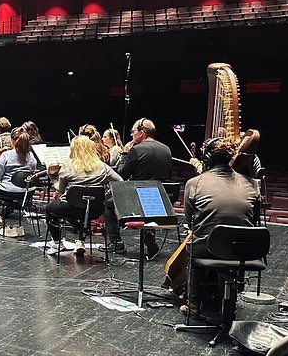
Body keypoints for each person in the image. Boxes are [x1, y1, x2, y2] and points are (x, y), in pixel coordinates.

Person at [182, 136, 262, 314]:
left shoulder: (194, 184)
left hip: (208, 248)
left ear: (207, 158)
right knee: (226, 245)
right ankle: (227, 300)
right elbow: (253, 220)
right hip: (244, 250)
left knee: (195, 245)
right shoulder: (252, 184)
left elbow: (190, 221)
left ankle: (194, 306)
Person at [103, 118, 173, 256]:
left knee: (107, 205)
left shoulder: (136, 149)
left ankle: (116, 243)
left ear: (141, 132)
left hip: (139, 199)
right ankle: (148, 233)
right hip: (161, 200)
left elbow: (121, 175)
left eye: (133, 131)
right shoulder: (166, 149)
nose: (131, 134)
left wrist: (124, 154)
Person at [44, 136, 122, 256]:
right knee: (83, 208)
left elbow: (59, 189)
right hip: (95, 210)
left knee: (49, 208)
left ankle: (57, 242)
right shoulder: (103, 167)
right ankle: (80, 241)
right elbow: (120, 182)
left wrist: (52, 177)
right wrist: (106, 196)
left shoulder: (67, 166)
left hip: (72, 209)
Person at [0, 126, 37, 237]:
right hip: (27, 192)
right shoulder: (31, 155)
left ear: (12, 140)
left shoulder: (6, 155)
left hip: (8, 190)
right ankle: (11, 209)